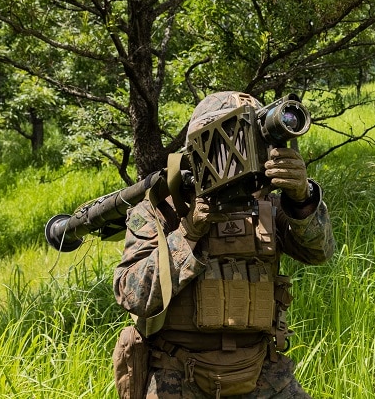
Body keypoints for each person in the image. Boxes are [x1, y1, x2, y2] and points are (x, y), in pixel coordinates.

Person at [112, 91, 336, 398]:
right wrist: (188, 233)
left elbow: (319, 251)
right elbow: (132, 294)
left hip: (261, 372)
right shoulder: (161, 209)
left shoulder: (267, 205)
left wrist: (302, 199)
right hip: (177, 374)